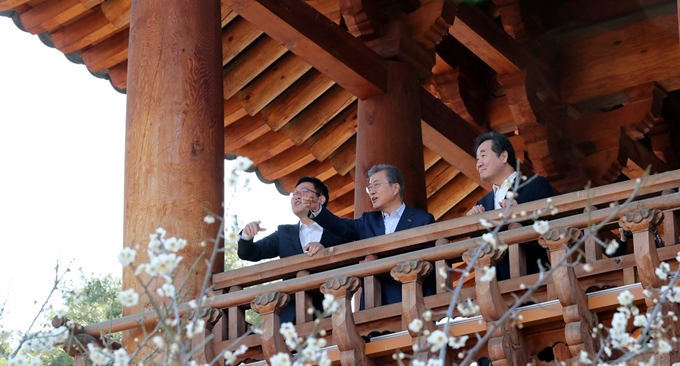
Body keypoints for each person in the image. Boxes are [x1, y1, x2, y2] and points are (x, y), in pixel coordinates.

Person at [303, 164, 436, 307]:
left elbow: (431, 267)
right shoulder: (367, 220)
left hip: (412, 299)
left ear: (395, 187)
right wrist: (318, 209)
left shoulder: (422, 219)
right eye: (369, 188)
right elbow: (341, 226)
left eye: (376, 185)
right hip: (373, 302)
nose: (371, 192)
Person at [237, 176, 350, 323]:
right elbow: (250, 253)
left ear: (320, 200)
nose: (296, 196)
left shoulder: (340, 229)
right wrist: (246, 235)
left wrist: (326, 251)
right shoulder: (284, 234)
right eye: (294, 193)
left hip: (329, 314)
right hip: (289, 317)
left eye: (303, 191)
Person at [466, 132, 554, 280]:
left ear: (504, 156)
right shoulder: (482, 204)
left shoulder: (535, 185)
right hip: (497, 284)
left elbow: (553, 226)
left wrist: (522, 213)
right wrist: (473, 225)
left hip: (537, 278)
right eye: (477, 159)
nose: (478, 163)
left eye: (483, 156)